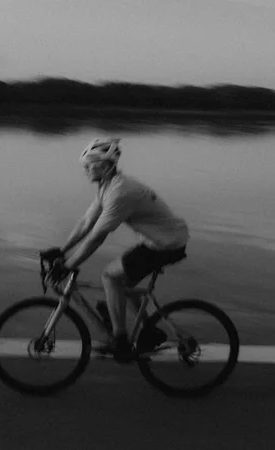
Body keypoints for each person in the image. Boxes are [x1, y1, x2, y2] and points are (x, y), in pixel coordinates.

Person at [42, 137, 189, 362]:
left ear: (107, 165)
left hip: (167, 245)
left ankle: (120, 341)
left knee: (110, 277)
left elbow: (96, 238)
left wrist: (69, 265)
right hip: (159, 242)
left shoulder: (120, 193)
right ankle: (149, 331)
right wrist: (62, 251)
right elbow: (86, 223)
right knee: (122, 284)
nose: (86, 169)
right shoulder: (107, 187)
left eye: (90, 164)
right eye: (85, 165)